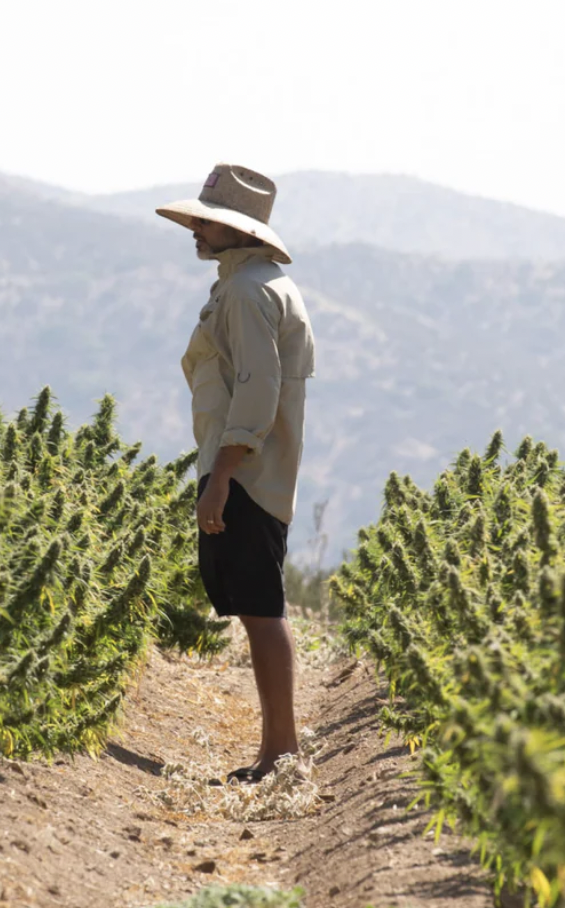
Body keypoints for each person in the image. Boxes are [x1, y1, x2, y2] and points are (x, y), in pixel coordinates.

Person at [156, 164, 316, 783]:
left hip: (248, 470)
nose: (196, 228)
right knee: (258, 603)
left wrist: (223, 473)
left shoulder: (249, 292)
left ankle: (281, 753)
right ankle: (278, 749)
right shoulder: (252, 284)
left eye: (209, 222)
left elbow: (257, 391)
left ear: (238, 232)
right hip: (251, 465)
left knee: (261, 606)